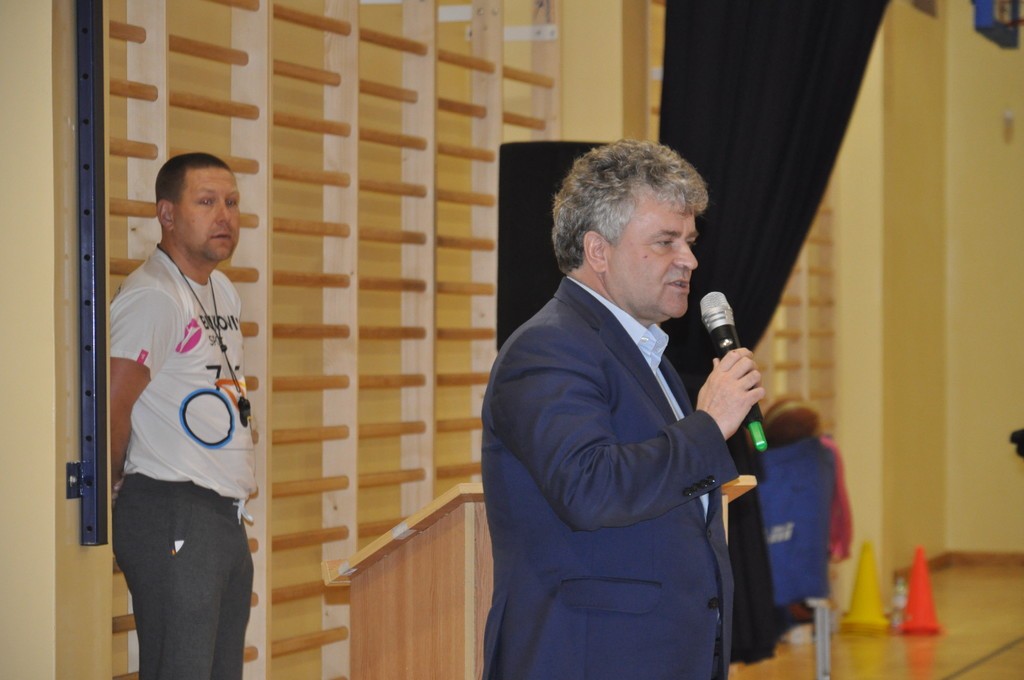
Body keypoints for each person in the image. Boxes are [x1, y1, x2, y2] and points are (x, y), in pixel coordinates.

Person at [481, 139, 766, 680]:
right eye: (665, 241)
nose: (689, 260)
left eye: (689, 241)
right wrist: (708, 426)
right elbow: (588, 487)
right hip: (592, 658)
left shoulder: (645, 353)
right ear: (598, 251)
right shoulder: (548, 348)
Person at [109, 152, 256, 680]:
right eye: (207, 201)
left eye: (231, 203)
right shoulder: (154, 297)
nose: (224, 216)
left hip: (222, 516)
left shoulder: (222, 290)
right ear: (167, 214)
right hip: (173, 508)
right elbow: (112, 405)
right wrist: (117, 487)